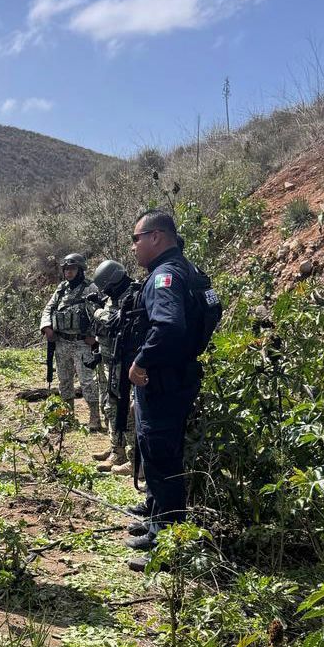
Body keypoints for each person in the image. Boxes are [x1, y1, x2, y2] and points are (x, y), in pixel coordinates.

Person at [124, 211, 222, 568]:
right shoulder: (191, 271)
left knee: (162, 456)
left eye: (136, 239)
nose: (133, 247)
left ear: (156, 237)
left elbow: (166, 326)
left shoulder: (164, 276)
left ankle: (168, 545)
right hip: (180, 375)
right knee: (161, 451)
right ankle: (156, 521)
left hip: (162, 380)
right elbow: (214, 309)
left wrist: (142, 362)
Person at [39, 253, 106, 430]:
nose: (68, 273)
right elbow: (48, 309)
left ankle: (94, 418)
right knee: (65, 380)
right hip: (62, 342)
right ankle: (68, 418)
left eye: (72, 269)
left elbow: (101, 314)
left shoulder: (90, 288)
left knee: (87, 381)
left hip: (82, 343)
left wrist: (94, 336)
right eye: (66, 269)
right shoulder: (61, 289)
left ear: (80, 270)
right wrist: (46, 327)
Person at [91, 260, 139, 476]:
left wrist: (97, 312)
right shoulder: (113, 295)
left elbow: (115, 321)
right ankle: (116, 450)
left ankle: (134, 459)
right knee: (110, 406)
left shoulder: (132, 295)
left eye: (107, 287)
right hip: (109, 358)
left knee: (125, 410)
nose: (106, 291)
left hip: (125, 362)